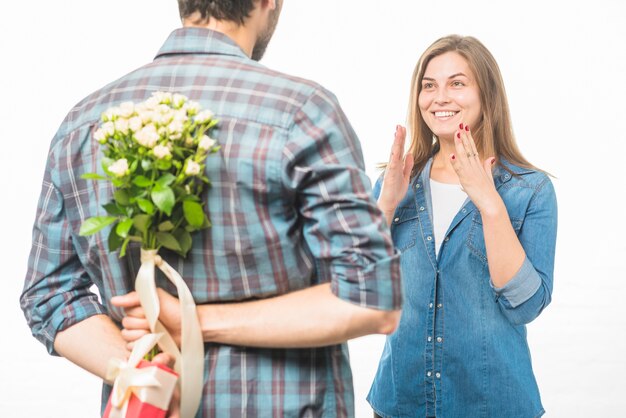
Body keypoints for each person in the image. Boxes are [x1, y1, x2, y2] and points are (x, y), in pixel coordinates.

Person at [20, 1, 403, 417]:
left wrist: (148, 373)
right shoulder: (301, 112)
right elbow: (372, 298)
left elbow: (49, 296)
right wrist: (195, 322)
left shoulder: (83, 122)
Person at [367, 35, 558, 418]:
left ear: (486, 95)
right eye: (429, 85)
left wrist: (490, 204)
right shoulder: (395, 186)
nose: (440, 98)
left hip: (494, 405)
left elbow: (526, 306)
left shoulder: (529, 190)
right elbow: (361, 293)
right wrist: (385, 205)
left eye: (457, 83)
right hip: (400, 403)